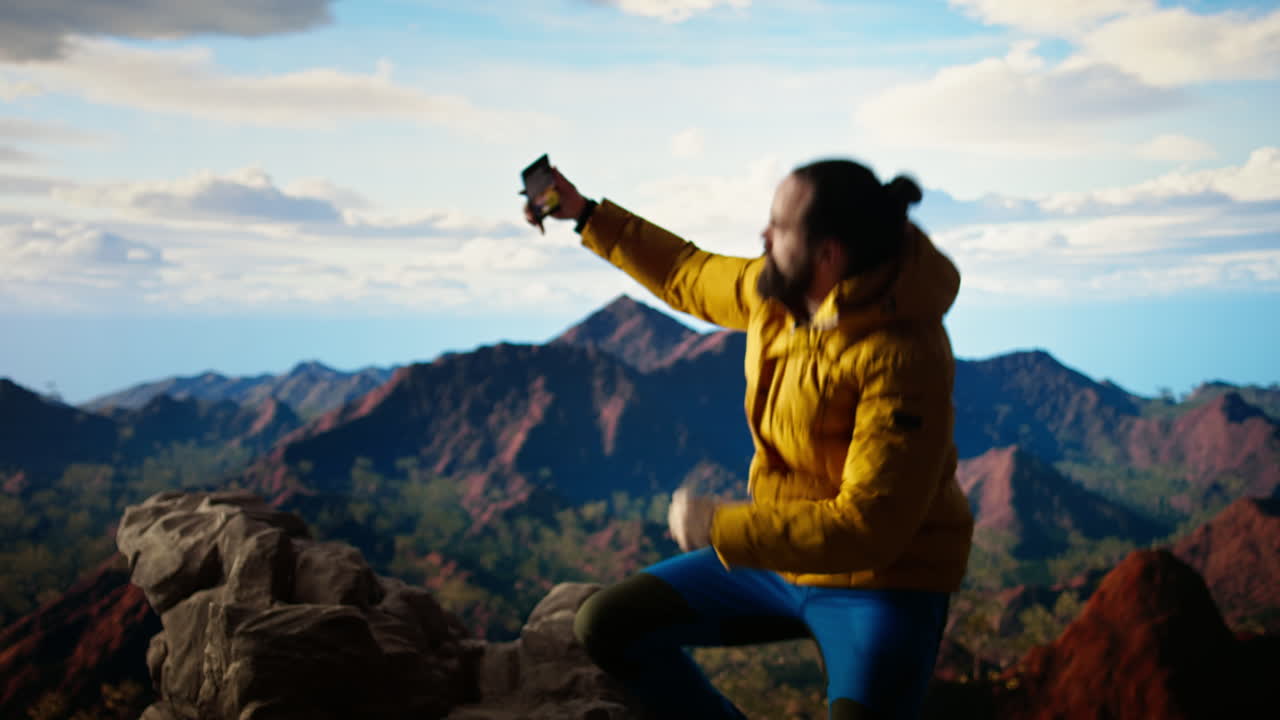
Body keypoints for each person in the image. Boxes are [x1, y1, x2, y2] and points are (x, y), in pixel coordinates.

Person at [522, 158, 974, 720]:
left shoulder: (903, 354)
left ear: (828, 254)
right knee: (607, 624)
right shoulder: (776, 293)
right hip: (779, 562)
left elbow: (870, 528)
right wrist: (585, 214)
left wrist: (720, 527)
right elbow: (687, 272)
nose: (763, 236)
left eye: (778, 227)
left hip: (884, 583)